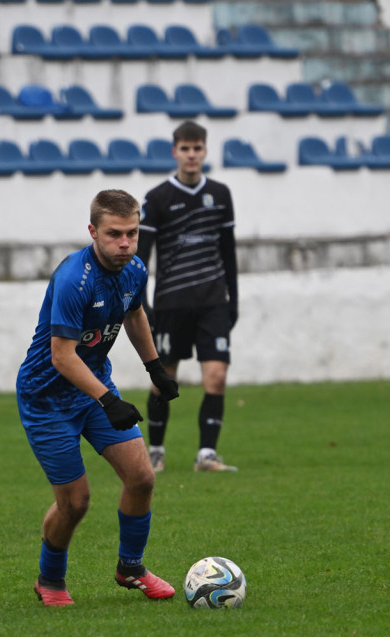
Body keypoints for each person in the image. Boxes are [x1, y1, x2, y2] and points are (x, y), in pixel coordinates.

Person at [16, 189, 181, 607]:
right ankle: (49, 580)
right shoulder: (75, 278)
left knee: (142, 478)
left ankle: (131, 568)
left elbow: (135, 313)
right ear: (93, 231)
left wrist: (155, 368)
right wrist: (109, 399)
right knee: (75, 502)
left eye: (132, 233)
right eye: (114, 234)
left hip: (92, 392)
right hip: (47, 399)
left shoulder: (135, 268)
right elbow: (62, 356)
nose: (124, 243)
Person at [138, 121, 240, 474]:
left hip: (213, 302)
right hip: (171, 304)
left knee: (217, 376)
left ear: (205, 151)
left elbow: (228, 252)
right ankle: (156, 450)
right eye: (186, 148)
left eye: (198, 148)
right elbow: (142, 257)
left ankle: (206, 454)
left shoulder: (221, 195)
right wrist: (143, 303)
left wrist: (233, 301)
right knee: (163, 380)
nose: (192, 155)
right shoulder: (157, 198)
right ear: (175, 152)